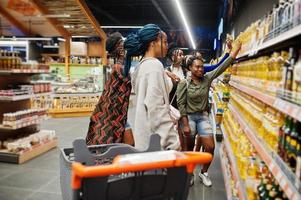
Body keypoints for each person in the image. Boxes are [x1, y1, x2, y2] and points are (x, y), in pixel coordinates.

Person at [177, 40, 242, 186]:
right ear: (190, 68)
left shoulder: (207, 79)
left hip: (203, 117)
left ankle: (204, 172)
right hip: (189, 117)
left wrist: (234, 53)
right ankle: (190, 173)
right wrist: (185, 125)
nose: (201, 70)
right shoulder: (184, 83)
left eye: (202, 67)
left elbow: (221, 67)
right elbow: (181, 104)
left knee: (210, 147)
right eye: (197, 67)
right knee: (189, 148)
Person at [124, 24, 180, 151]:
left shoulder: (141, 66)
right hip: (156, 142)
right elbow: (156, 108)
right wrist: (173, 142)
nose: (167, 46)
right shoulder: (154, 67)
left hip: (145, 137)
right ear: (153, 43)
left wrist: (165, 74)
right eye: (165, 42)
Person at [86, 32, 134, 146]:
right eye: (122, 43)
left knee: (126, 145)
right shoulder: (119, 68)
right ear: (118, 48)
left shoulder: (121, 66)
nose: (124, 46)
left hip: (115, 114)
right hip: (112, 115)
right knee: (129, 145)